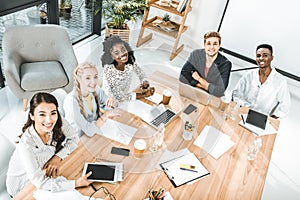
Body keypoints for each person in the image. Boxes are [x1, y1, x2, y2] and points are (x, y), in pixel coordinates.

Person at [6, 92, 92, 197]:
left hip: (44, 173)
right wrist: (76, 183)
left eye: (53, 113)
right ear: (32, 116)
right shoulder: (26, 145)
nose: (49, 120)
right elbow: (41, 182)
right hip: (22, 188)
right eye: (42, 114)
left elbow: (74, 139)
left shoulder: (56, 119)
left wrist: (57, 157)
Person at [232, 44, 290, 118]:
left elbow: (285, 107)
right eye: (258, 56)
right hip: (241, 115)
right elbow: (236, 94)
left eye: (265, 55)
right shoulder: (248, 75)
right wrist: (244, 107)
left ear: (272, 58)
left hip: (262, 121)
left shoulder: (280, 81)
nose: (261, 58)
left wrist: (270, 119)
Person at [63, 62, 116, 137]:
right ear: (79, 79)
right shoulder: (71, 101)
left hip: (96, 131)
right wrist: (105, 116)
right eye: (88, 78)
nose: (93, 82)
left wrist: (111, 102)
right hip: (80, 139)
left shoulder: (96, 90)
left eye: (95, 77)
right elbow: (88, 130)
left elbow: (109, 106)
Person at [101, 35, 155, 102]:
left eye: (123, 49)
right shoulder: (109, 71)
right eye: (116, 53)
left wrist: (144, 81)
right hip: (109, 101)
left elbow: (140, 72)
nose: (122, 54)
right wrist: (144, 95)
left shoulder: (129, 61)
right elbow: (120, 97)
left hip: (124, 95)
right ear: (111, 56)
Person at [179, 31, 232, 97]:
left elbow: (220, 91)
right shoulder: (195, 54)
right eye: (208, 44)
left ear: (219, 46)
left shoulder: (226, 64)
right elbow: (182, 76)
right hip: (193, 91)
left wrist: (199, 79)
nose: (212, 47)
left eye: (215, 44)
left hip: (211, 97)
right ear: (204, 45)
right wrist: (205, 86)